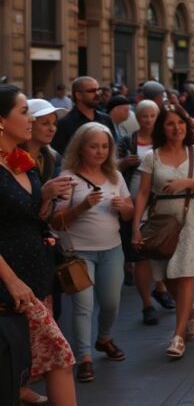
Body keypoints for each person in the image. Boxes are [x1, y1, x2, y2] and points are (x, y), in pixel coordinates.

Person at [0, 85, 77, 406]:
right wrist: (12, 281)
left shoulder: (21, 161)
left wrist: (47, 196)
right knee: (57, 355)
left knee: (40, 360)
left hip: (36, 278)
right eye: (23, 112)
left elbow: (35, 216)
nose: (30, 119)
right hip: (9, 284)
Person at [130, 105, 194, 359]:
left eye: (180, 122)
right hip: (162, 218)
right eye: (170, 124)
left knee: (185, 271)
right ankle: (189, 312)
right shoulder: (152, 157)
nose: (176, 128)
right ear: (162, 128)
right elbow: (143, 193)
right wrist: (136, 227)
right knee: (167, 273)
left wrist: (186, 182)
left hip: (191, 213)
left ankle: (177, 336)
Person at [51, 124, 133, 383]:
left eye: (105, 146)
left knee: (111, 303)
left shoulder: (115, 176)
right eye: (94, 146)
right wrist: (81, 208)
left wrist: (124, 208)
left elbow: (129, 211)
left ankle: (104, 338)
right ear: (80, 148)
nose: (100, 151)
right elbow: (55, 220)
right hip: (79, 254)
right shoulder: (68, 177)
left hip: (112, 249)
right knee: (83, 306)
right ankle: (84, 358)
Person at [117, 100, 174, 326]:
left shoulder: (166, 140)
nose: (148, 120)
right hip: (135, 202)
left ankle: (160, 288)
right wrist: (123, 162)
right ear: (137, 118)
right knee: (140, 255)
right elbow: (112, 167)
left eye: (152, 116)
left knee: (159, 250)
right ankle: (147, 304)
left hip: (162, 201)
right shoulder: (127, 141)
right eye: (144, 116)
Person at [52, 77, 118, 156]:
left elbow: (113, 150)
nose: (97, 94)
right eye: (92, 91)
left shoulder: (106, 119)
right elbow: (61, 156)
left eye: (98, 90)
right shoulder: (64, 124)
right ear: (79, 95)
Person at [24, 100, 66, 183]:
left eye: (55, 123)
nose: (52, 129)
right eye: (45, 123)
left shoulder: (53, 157)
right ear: (28, 124)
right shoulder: (11, 157)